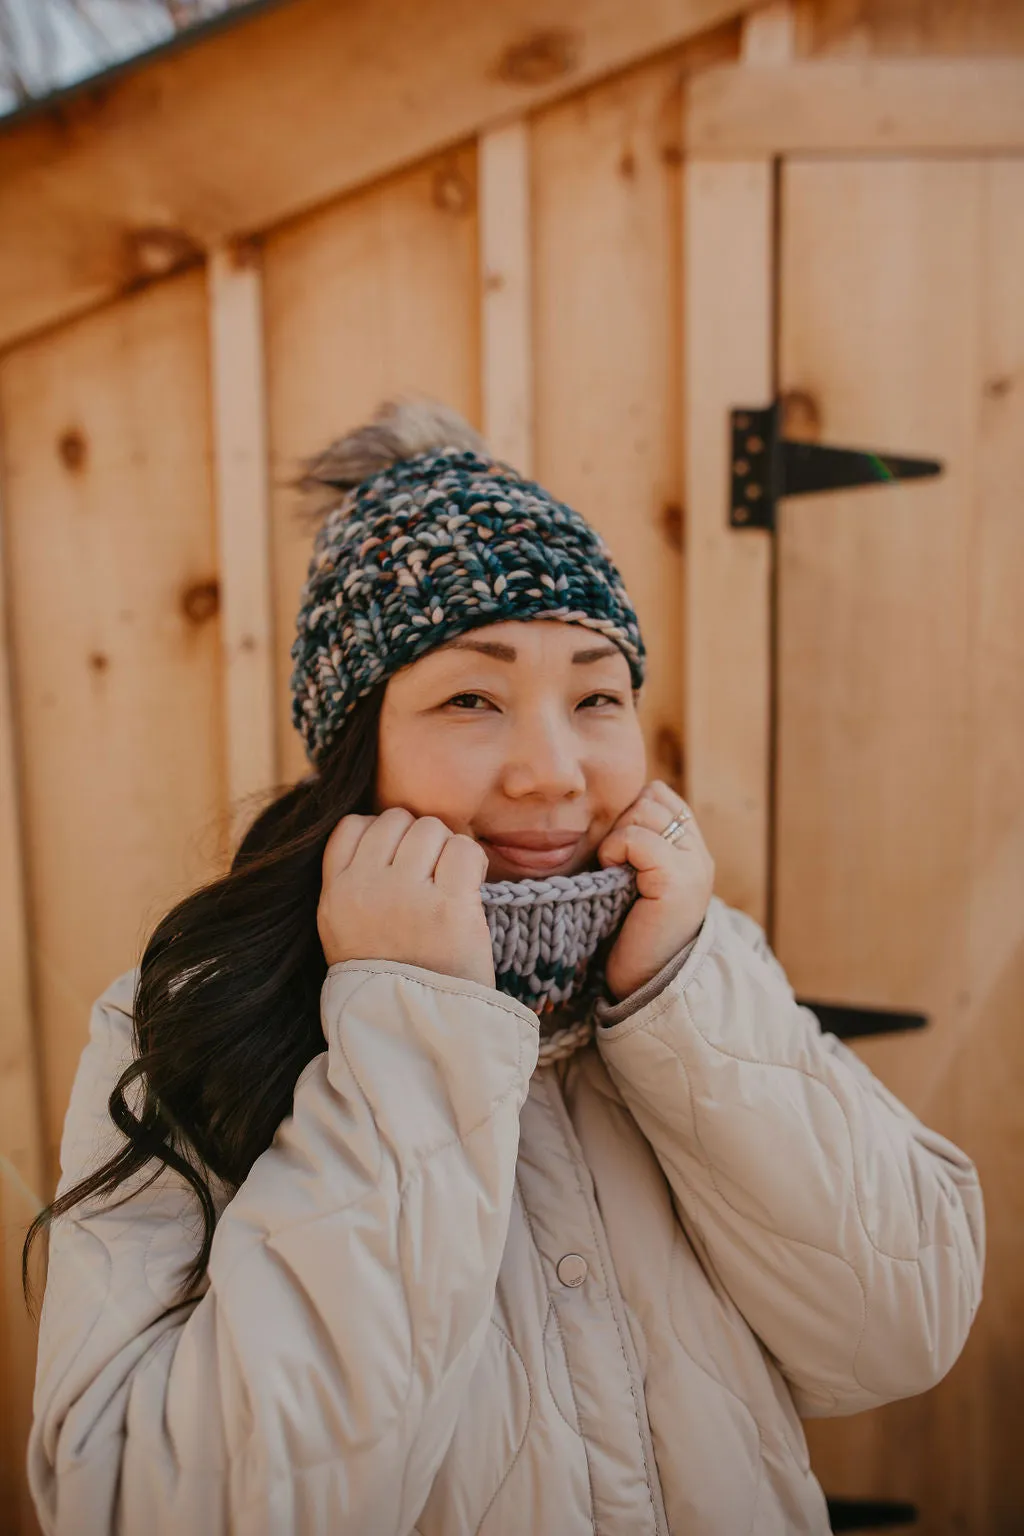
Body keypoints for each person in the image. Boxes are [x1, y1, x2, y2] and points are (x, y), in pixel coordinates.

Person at [24, 399, 984, 1536]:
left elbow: (898, 1332)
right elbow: (153, 1506)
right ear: (358, 745)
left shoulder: (701, 972)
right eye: (471, 697)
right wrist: (408, 1037)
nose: (552, 771)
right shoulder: (189, 1022)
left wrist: (684, 996)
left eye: (596, 696)